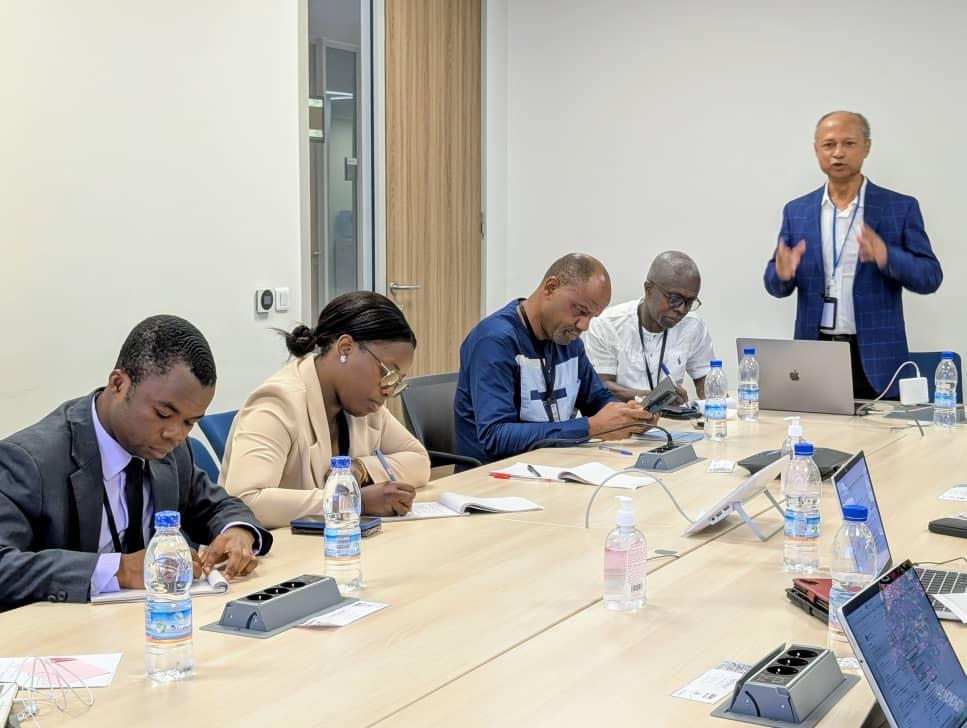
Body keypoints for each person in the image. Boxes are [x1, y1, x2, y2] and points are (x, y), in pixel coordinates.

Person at [0, 315, 272, 610]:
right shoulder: (30, 461)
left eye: (190, 422)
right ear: (118, 384)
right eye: (164, 414)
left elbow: (218, 505)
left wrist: (238, 532)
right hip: (61, 630)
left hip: (151, 621)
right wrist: (119, 570)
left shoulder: (171, 451)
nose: (176, 434)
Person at [764, 110, 943, 399]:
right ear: (816, 150)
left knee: (881, 430)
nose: (838, 153)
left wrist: (886, 256)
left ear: (866, 147)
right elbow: (775, 285)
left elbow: (930, 277)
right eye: (829, 144)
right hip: (815, 353)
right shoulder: (797, 211)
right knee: (817, 428)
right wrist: (781, 274)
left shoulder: (899, 207)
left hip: (877, 359)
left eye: (848, 143)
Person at [220, 292, 430, 529]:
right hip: (274, 548)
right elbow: (245, 500)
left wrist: (360, 468)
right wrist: (353, 501)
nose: (389, 390)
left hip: (333, 543)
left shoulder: (364, 404)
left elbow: (419, 461)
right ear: (345, 348)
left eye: (397, 381)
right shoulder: (277, 402)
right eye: (387, 373)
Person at [454, 253, 655, 466]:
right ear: (551, 288)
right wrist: (591, 427)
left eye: (591, 317)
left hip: (553, 465)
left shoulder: (567, 340)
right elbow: (495, 436)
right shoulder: (494, 341)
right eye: (580, 311)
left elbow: (596, 399)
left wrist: (628, 416)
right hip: (494, 475)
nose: (584, 326)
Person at [585, 251, 714, 403]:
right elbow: (600, 386)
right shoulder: (607, 324)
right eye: (674, 299)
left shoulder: (692, 326)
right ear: (649, 289)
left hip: (672, 416)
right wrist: (652, 398)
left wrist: (713, 399)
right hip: (621, 415)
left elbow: (706, 379)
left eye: (689, 302)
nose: (681, 309)